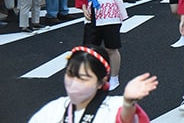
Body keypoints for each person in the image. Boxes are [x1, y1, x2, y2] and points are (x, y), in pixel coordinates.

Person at [29, 45, 158, 123]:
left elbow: (125, 119)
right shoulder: (54, 109)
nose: (74, 83)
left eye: (83, 78)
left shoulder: (114, 106)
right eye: (70, 74)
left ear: (101, 82)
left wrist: (128, 103)